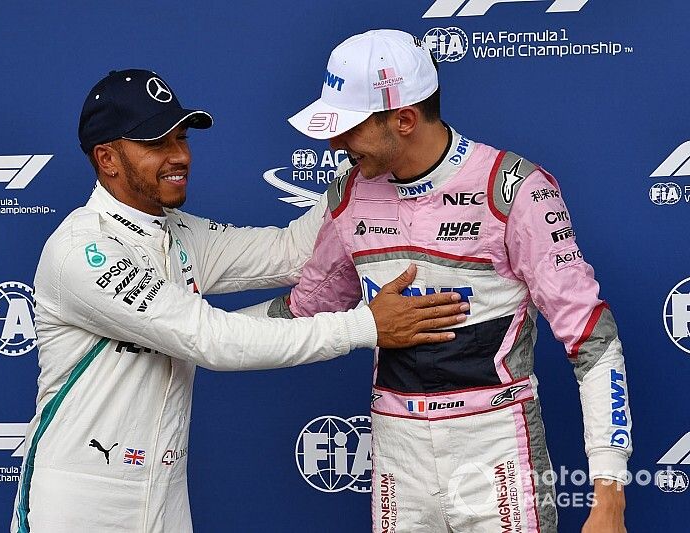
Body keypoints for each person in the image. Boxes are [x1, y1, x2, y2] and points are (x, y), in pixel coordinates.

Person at [10, 68, 468, 533]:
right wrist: (364, 327)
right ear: (107, 158)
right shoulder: (82, 250)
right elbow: (212, 340)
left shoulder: (178, 231)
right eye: (156, 145)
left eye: (182, 139)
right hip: (79, 499)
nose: (179, 156)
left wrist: (362, 163)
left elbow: (294, 253)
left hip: (164, 496)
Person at [263, 30, 632, 532]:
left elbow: (592, 337)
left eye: (348, 127)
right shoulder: (347, 197)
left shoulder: (512, 188)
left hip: (495, 447)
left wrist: (609, 495)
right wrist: (182, 331)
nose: (334, 143)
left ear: (405, 119)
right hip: (397, 451)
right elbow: (304, 311)